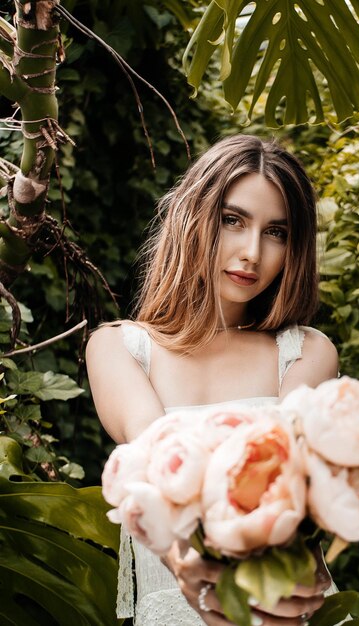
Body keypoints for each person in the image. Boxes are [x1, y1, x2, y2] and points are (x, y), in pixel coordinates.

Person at [86, 134, 340, 626]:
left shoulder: (305, 352)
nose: (251, 252)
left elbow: (285, 485)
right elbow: (152, 452)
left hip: (286, 606)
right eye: (233, 220)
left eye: (277, 232)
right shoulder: (120, 347)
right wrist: (189, 565)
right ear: (194, 218)